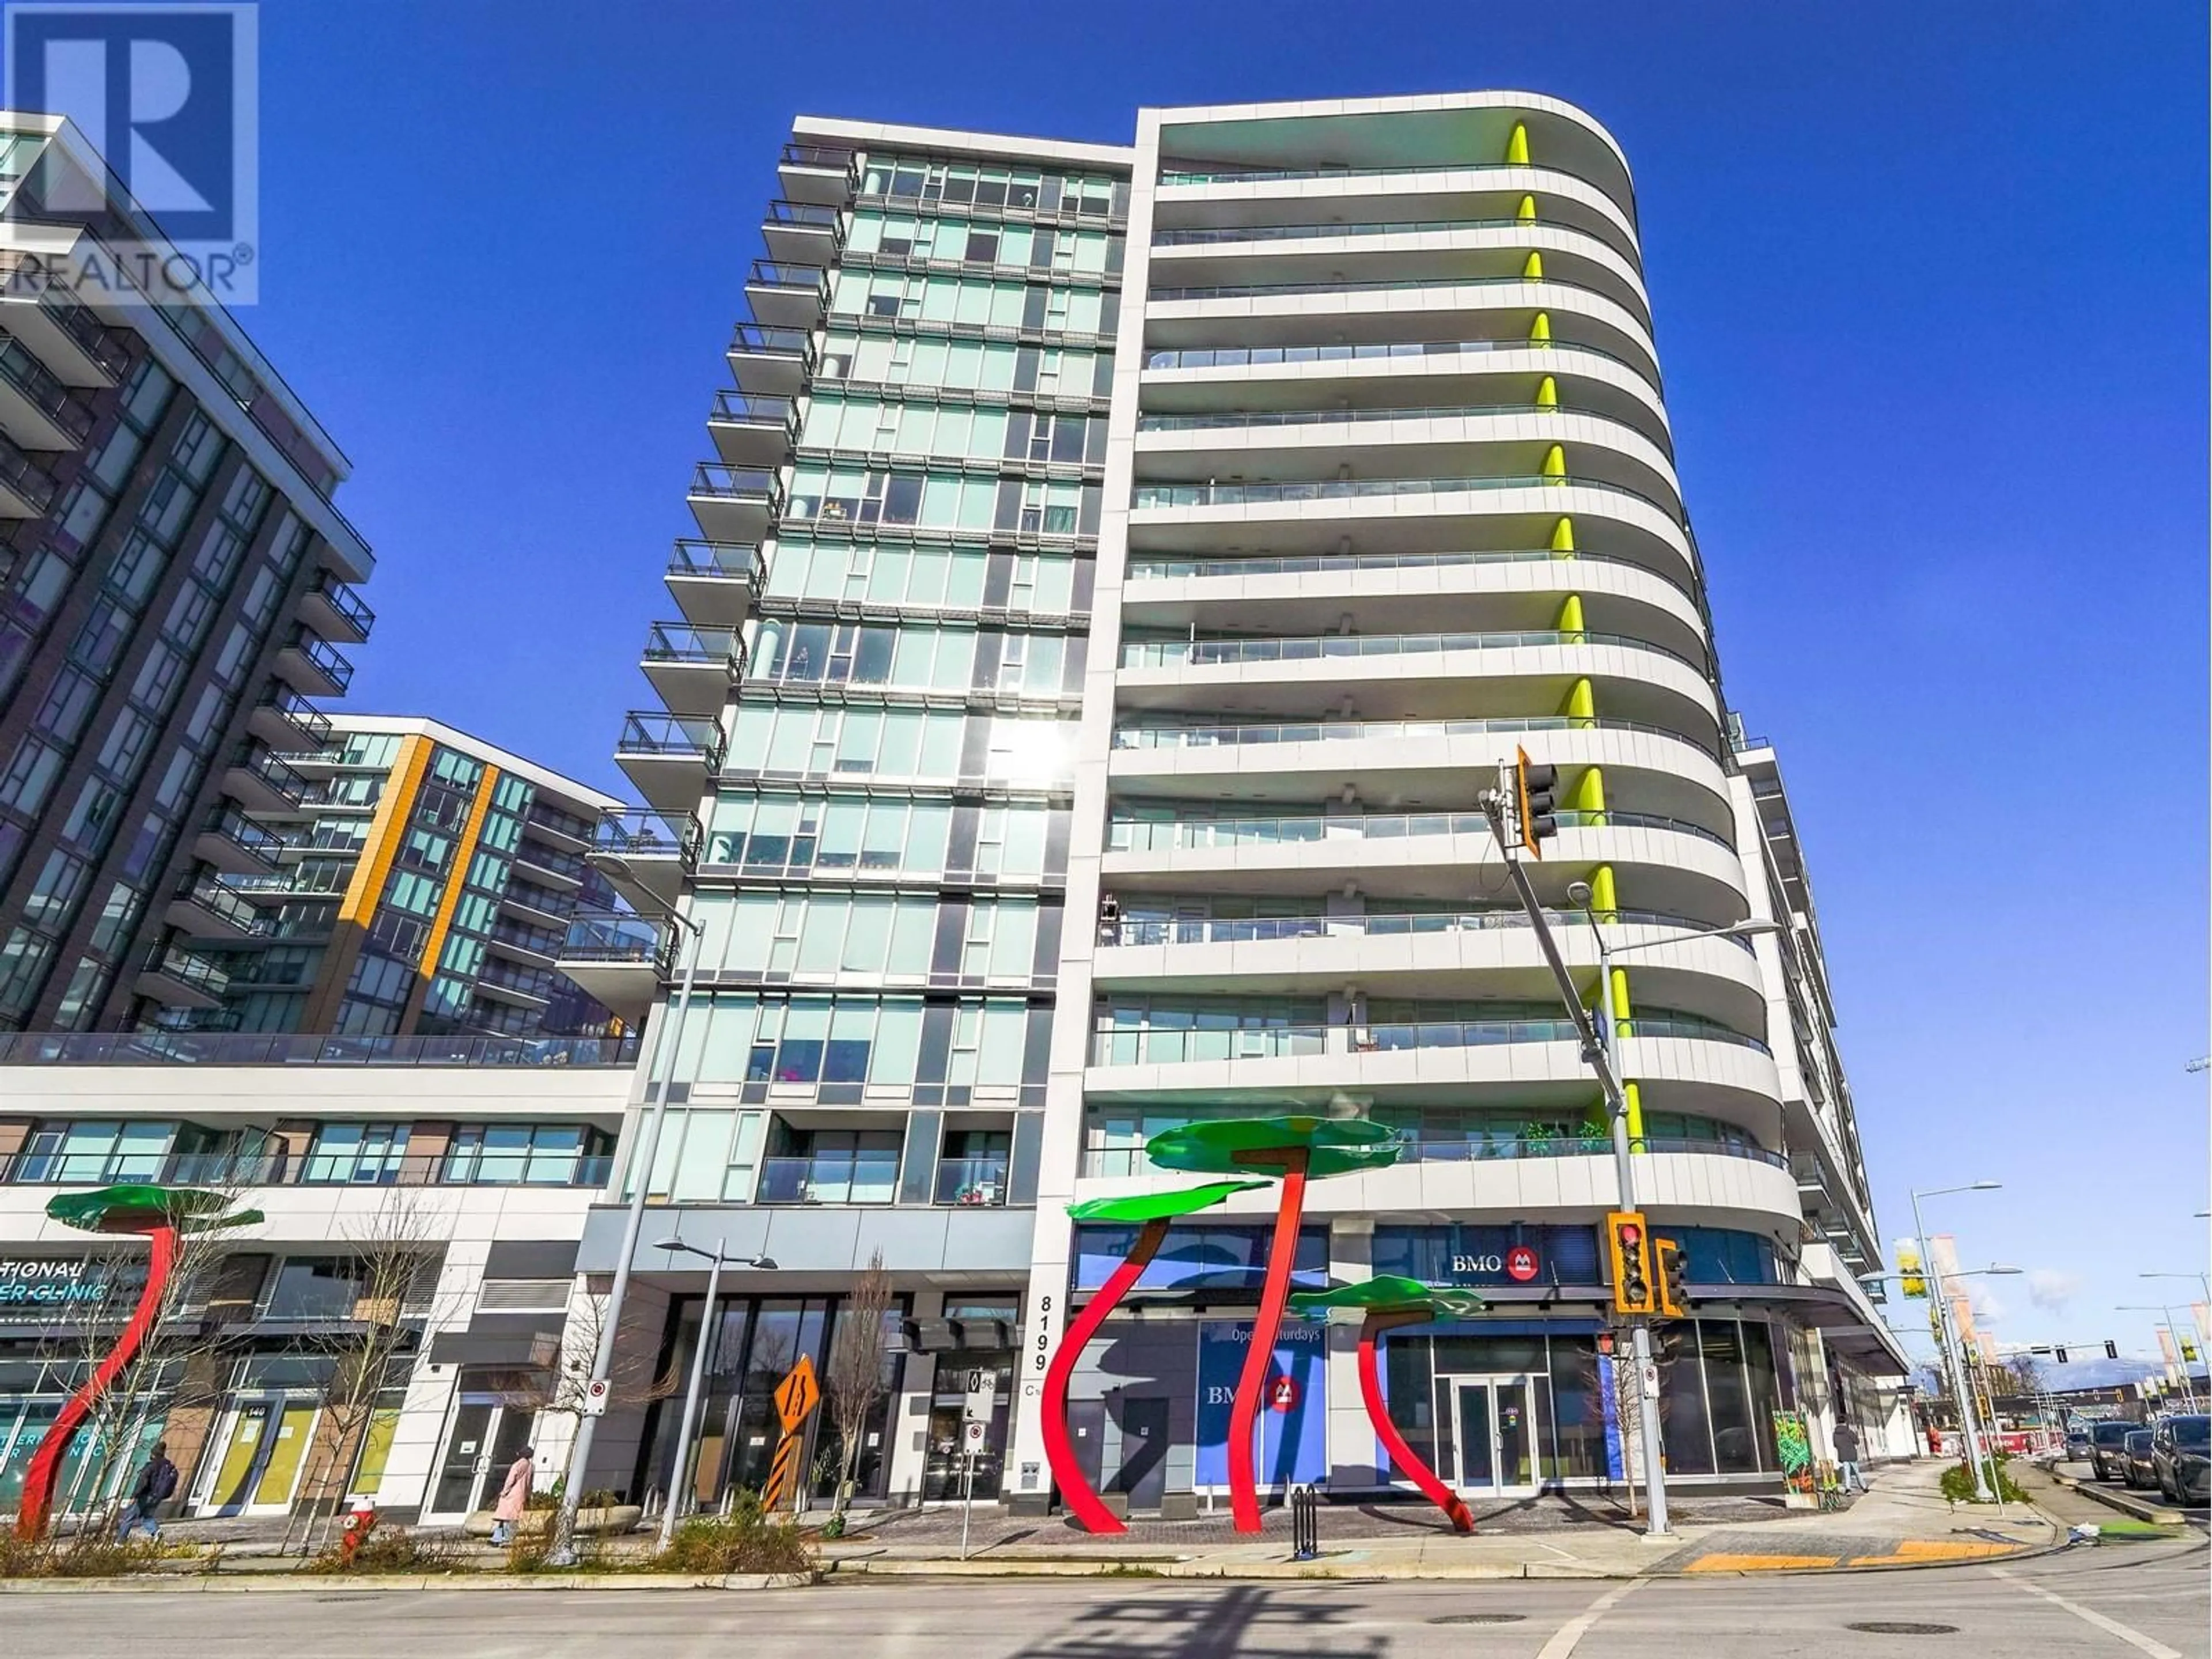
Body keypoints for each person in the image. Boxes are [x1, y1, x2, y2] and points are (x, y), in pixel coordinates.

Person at [115, 1441, 178, 1542]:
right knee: (147, 1517)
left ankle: (120, 1542)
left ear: (153, 1454)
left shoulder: (151, 1466)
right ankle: (156, 1532)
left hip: (146, 1496)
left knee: (129, 1517)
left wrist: (134, 1496)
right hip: (157, 1497)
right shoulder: (168, 1467)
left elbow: (143, 1482)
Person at [489, 1445, 535, 1546]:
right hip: (521, 1494)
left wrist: (504, 1492)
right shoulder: (531, 1466)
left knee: (503, 1518)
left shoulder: (517, 1465)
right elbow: (530, 1483)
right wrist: (529, 1495)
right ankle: (507, 1539)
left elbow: (511, 1480)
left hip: (511, 1494)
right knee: (513, 1518)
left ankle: (498, 1539)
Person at [1833, 1420, 1866, 1493]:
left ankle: (1848, 1489)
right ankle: (1864, 1486)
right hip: (1851, 1454)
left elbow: (1835, 1444)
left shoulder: (1835, 1434)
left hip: (1843, 1455)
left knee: (1847, 1472)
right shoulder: (1849, 1431)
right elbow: (1857, 1441)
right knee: (1857, 1471)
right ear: (1845, 1423)